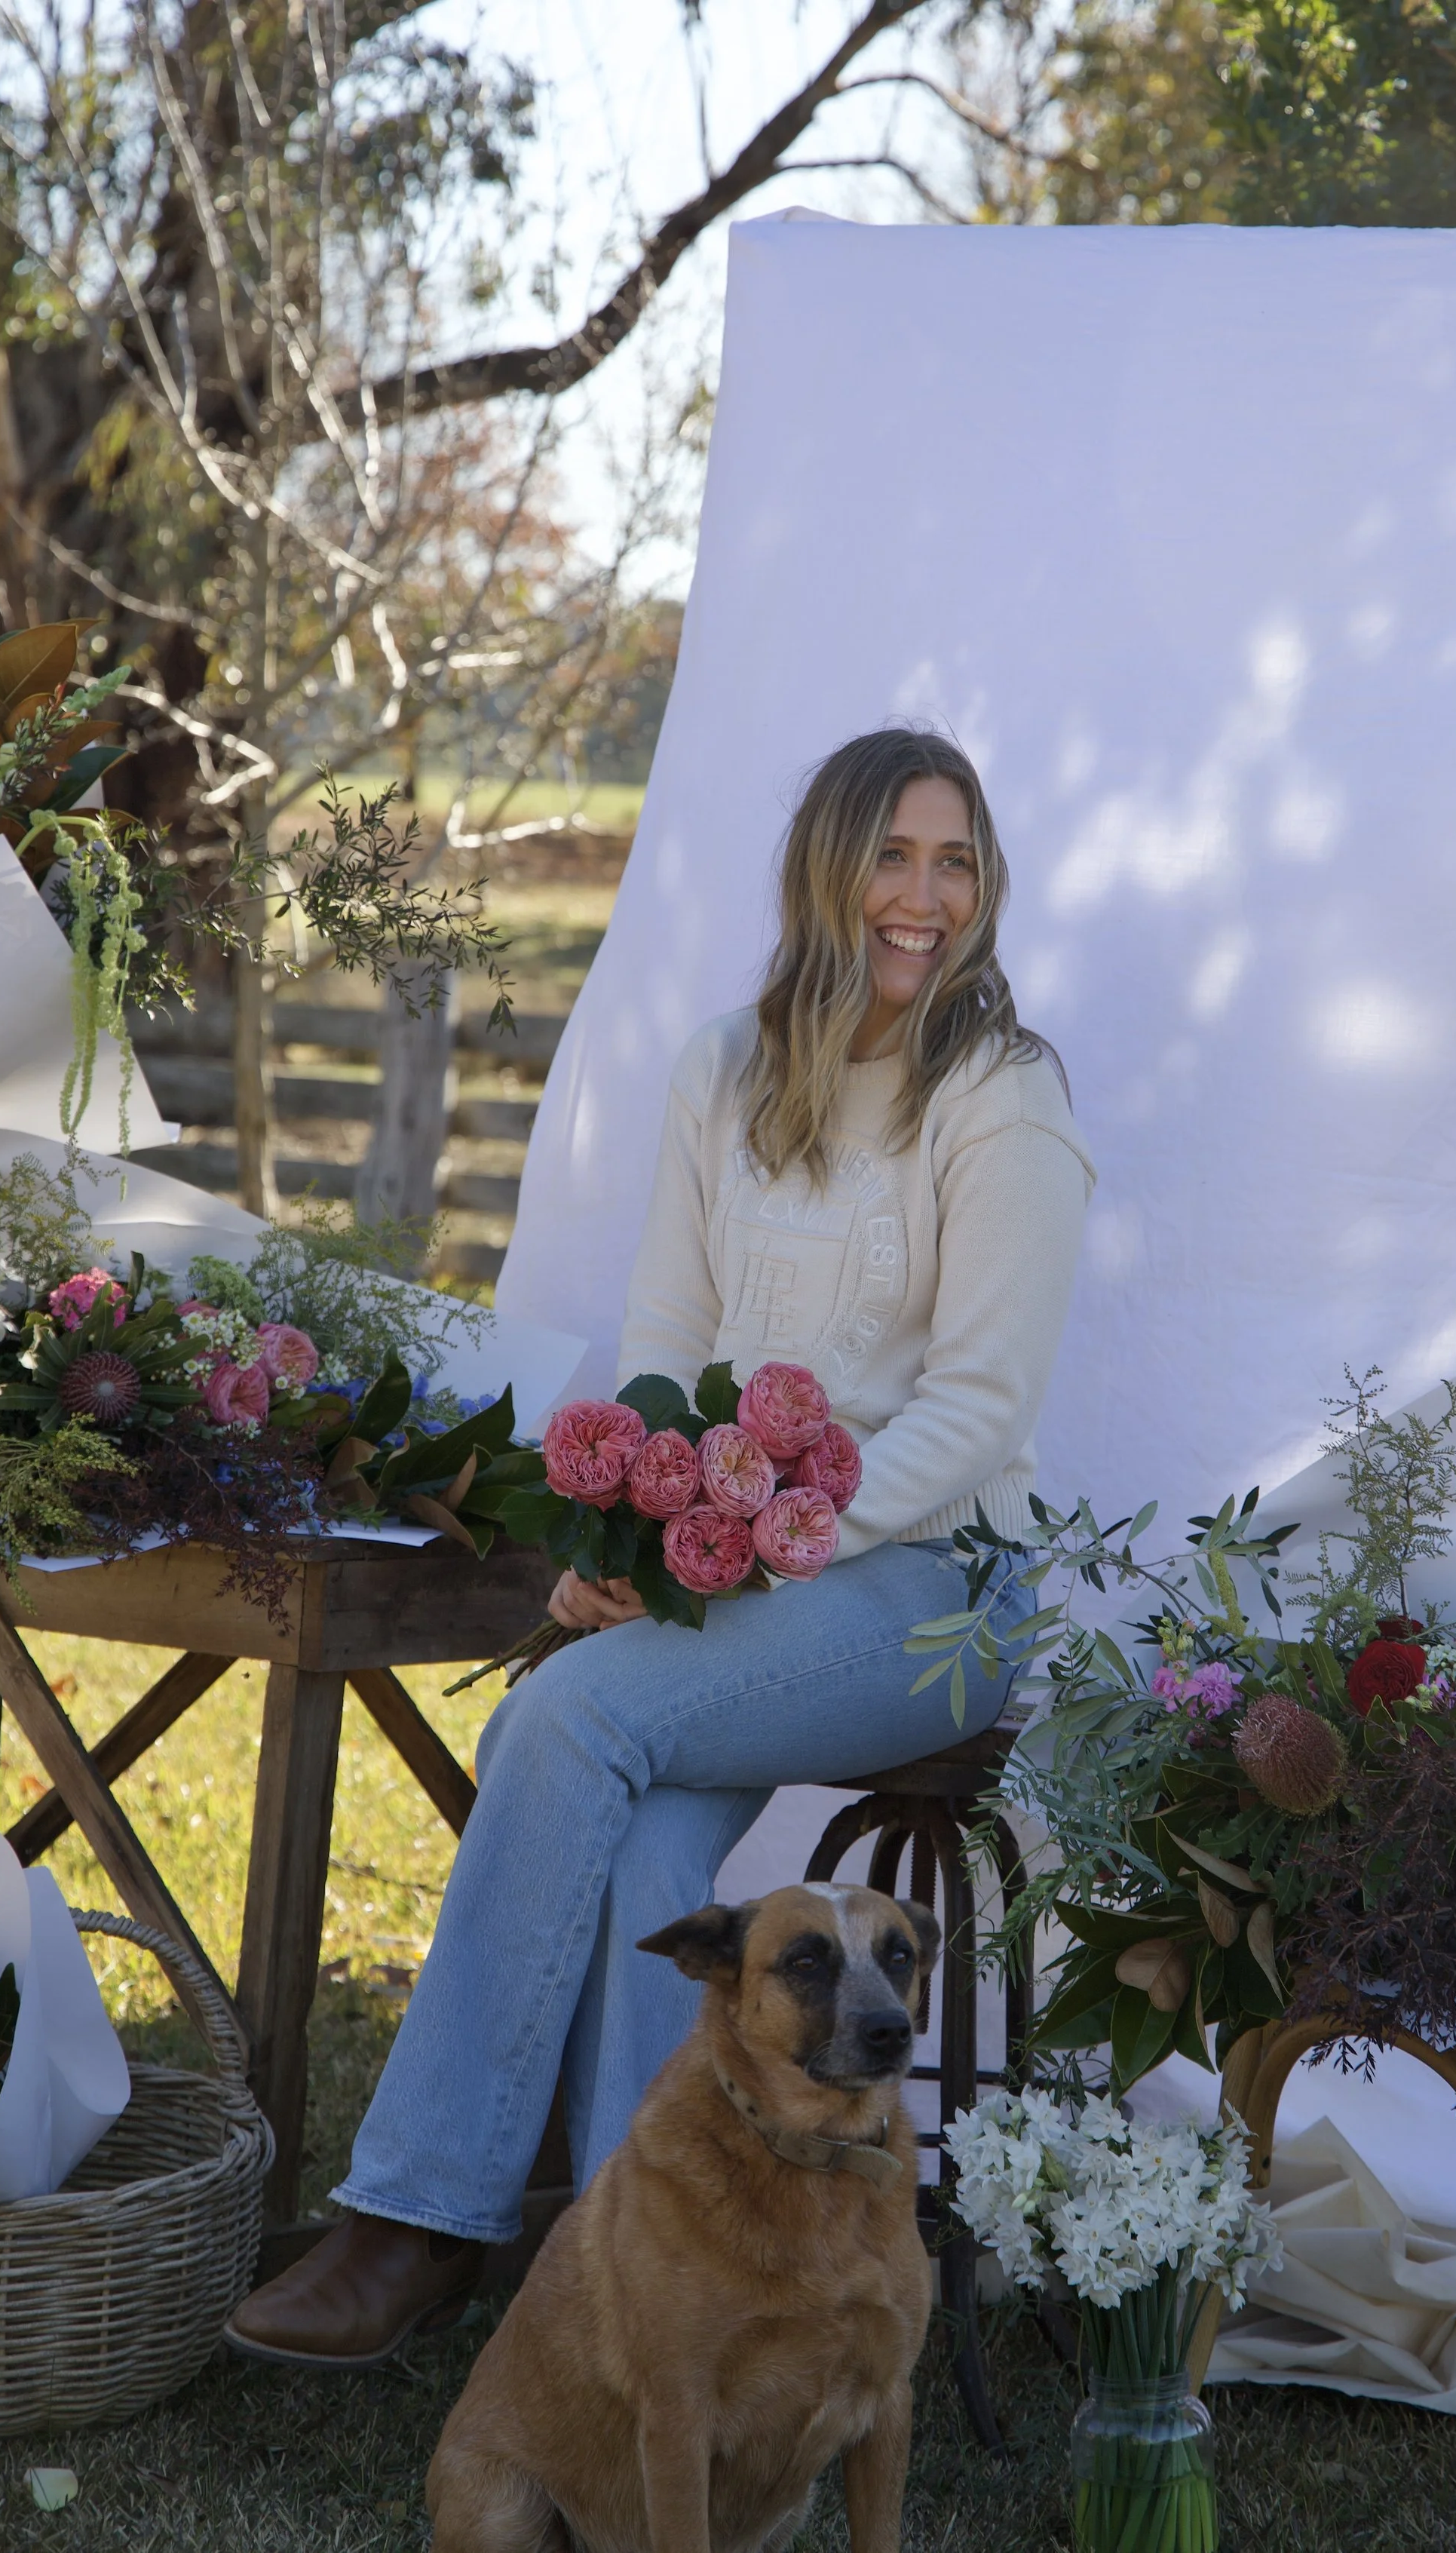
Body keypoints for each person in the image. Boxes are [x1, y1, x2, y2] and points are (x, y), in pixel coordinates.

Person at [226, 726, 1095, 2367]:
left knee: (564, 1713)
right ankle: (638, 2286)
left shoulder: (1001, 1092)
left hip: (933, 1597)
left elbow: (978, 1410)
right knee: (635, 1863)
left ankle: (416, 2218)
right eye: (891, 856)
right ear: (823, 870)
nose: (922, 898)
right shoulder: (724, 1068)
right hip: (747, 1579)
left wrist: (764, 1543)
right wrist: (626, 1523)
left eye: (955, 861)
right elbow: (662, 1342)